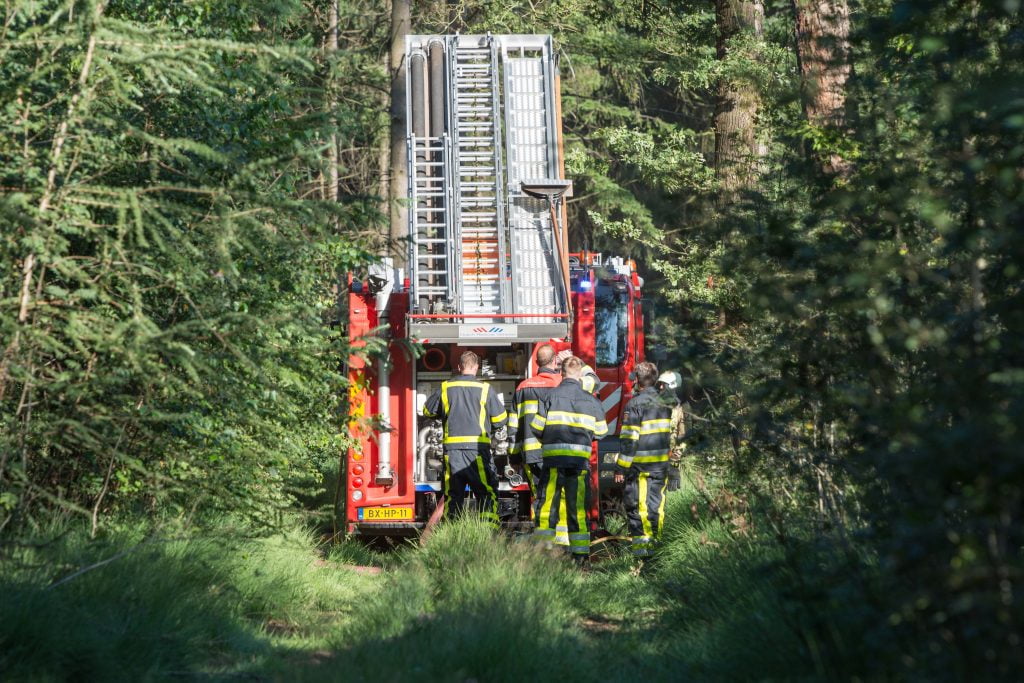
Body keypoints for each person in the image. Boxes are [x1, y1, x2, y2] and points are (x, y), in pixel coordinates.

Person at [530, 356, 608, 564]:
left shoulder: (550, 396)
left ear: (561, 373)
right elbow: (601, 432)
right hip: (579, 464)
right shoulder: (592, 401)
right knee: (578, 510)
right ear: (580, 374)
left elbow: (536, 427)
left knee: (547, 508)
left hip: (553, 463)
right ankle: (580, 558)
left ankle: (543, 555)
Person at [423, 351, 508, 528]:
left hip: (452, 453)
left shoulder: (446, 387)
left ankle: (452, 534)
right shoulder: (485, 389)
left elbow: (427, 411)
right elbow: (501, 419)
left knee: (453, 495)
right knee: (486, 491)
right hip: (478, 452)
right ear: (476, 367)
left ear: (459, 367)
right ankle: (488, 531)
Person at [615, 361, 672, 561]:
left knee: (638, 509)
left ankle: (643, 558)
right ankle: (658, 551)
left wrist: (620, 468)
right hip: (661, 467)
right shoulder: (666, 403)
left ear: (637, 380)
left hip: (641, 469)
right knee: (657, 508)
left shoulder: (635, 404)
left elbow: (629, 440)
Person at [656, 371, 687, 492]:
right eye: (660, 384)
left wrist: (674, 465)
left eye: (664, 384)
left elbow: (681, 436)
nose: (660, 387)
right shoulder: (652, 405)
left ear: (672, 386)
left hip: (668, 460)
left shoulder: (679, 408)